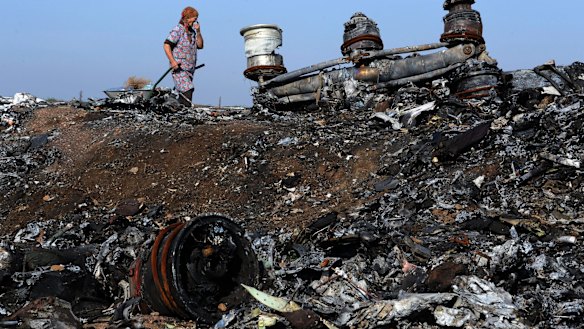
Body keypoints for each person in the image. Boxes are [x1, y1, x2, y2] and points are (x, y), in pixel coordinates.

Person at [163, 7, 204, 106]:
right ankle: (186, 112)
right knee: (188, 89)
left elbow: (200, 45)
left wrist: (198, 32)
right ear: (187, 18)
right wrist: (172, 61)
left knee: (181, 92)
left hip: (189, 69)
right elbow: (166, 45)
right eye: (194, 18)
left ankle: (174, 108)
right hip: (179, 68)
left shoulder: (192, 32)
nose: (195, 21)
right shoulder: (178, 30)